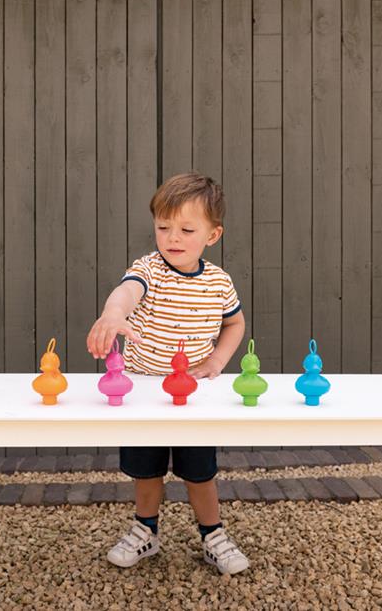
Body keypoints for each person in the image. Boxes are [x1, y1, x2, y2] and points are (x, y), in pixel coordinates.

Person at [86, 172, 249, 575]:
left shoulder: (218, 283)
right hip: (143, 391)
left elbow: (236, 324)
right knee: (146, 469)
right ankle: (146, 530)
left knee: (200, 471)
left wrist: (216, 361)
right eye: (163, 227)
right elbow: (127, 292)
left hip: (192, 396)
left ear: (212, 235)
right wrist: (112, 314)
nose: (173, 237)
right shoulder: (149, 269)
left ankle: (212, 534)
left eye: (187, 229)